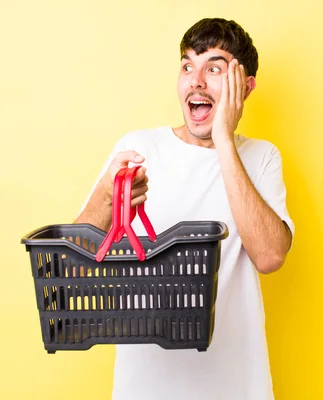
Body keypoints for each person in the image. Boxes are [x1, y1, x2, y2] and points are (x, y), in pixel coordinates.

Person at [75, 17, 294, 400]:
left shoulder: (260, 158)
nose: (196, 80)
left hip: (234, 384)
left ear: (245, 86)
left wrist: (224, 140)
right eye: (187, 65)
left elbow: (271, 256)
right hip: (144, 387)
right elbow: (78, 260)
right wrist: (109, 196)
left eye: (214, 68)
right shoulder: (140, 147)